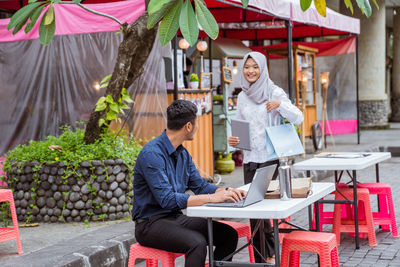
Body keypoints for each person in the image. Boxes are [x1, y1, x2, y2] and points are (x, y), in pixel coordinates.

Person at [133, 100, 247, 267]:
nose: (198, 127)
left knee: (228, 235)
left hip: (174, 217)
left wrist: (227, 191)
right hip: (149, 224)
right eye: (197, 123)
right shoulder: (152, 154)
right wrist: (211, 198)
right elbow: (167, 199)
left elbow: (200, 186)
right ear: (188, 126)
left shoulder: (183, 153)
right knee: (197, 243)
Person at [228, 51, 304, 264]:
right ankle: (263, 256)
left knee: (267, 208)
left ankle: (270, 255)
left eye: (255, 67)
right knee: (252, 208)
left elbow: (299, 118)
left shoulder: (274, 92)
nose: (251, 71)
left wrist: (281, 106)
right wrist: (234, 140)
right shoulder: (242, 95)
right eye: (247, 67)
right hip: (251, 158)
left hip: (271, 157)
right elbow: (240, 127)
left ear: (262, 68)